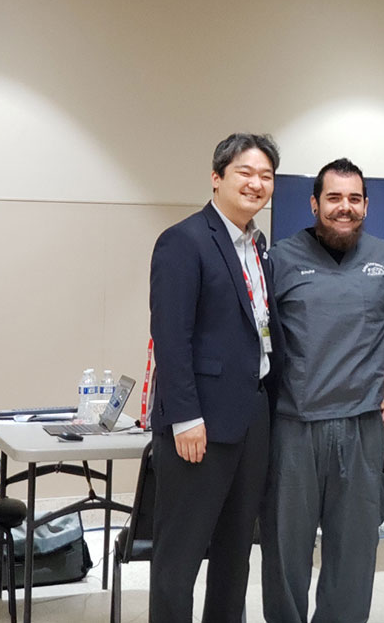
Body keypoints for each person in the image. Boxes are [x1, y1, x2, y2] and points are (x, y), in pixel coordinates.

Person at [148, 133, 283, 623]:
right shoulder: (183, 241)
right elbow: (171, 337)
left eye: (266, 176)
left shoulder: (258, 245)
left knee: (235, 552)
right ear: (217, 177)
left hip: (252, 417)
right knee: (179, 555)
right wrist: (185, 417)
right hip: (199, 424)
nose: (256, 183)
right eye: (245, 172)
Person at [261, 158, 384, 623]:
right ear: (314, 203)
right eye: (334, 198)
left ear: (366, 204)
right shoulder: (280, 260)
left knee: (354, 556)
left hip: (362, 428)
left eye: (355, 199)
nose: (345, 207)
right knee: (285, 553)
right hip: (294, 428)